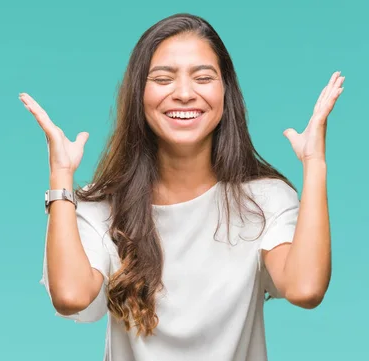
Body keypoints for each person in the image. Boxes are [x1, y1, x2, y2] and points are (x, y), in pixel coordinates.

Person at [19, 13, 343, 361]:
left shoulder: (264, 200)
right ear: (138, 94)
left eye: (203, 77)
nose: (185, 94)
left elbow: (306, 288)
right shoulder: (101, 206)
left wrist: (314, 165)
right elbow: (70, 296)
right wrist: (61, 177)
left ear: (225, 92)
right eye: (163, 78)